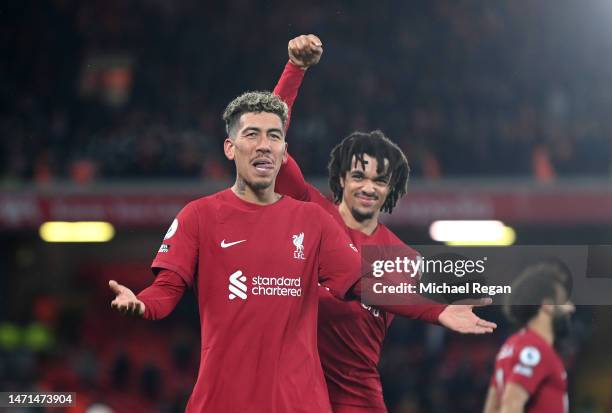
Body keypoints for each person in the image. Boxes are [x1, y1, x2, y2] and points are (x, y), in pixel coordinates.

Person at [273, 34, 497, 413]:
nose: (368, 188)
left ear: (391, 189)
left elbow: (442, 289)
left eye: (380, 180)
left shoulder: (402, 258)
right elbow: (271, 144)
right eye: (359, 176)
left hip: (357, 401)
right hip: (293, 395)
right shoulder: (310, 212)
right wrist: (295, 69)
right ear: (341, 178)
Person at [108, 90, 366, 412]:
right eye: (252, 134)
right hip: (222, 402)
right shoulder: (199, 216)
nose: (263, 145)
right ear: (230, 148)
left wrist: (443, 281)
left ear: (284, 152)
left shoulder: (312, 220)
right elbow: (167, 289)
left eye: (274, 136)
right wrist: (142, 304)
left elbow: (365, 280)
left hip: (299, 404)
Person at [482, 262, 575, 413]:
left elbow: (492, 408)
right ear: (547, 305)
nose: (571, 307)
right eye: (564, 300)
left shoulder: (511, 346)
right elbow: (511, 405)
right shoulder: (536, 349)